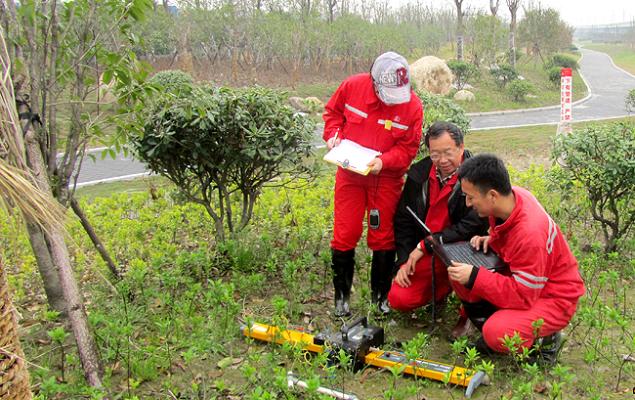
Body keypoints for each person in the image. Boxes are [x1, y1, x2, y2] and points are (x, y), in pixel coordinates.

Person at [448, 154, 585, 356]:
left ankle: (544, 339)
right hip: (529, 282)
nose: (468, 203)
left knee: (496, 331)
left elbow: (523, 295)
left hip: (554, 297)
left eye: (471, 197)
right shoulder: (513, 197)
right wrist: (492, 239)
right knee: (460, 274)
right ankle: (497, 327)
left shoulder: (530, 233)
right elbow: (509, 237)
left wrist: (476, 276)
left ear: (492, 196)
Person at [323, 51, 423, 317]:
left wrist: (385, 162)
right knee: (345, 233)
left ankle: (380, 298)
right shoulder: (352, 87)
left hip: (385, 178)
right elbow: (332, 114)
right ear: (374, 82)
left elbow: (408, 148)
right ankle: (341, 298)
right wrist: (333, 137)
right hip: (350, 175)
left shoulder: (412, 106)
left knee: (383, 236)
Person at [388, 121, 488, 337]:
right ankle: (440, 290)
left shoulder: (478, 176)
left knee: (467, 273)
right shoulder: (419, 174)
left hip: (464, 250)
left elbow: (471, 226)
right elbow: (404, 220)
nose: (442, 161)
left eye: (448, 153)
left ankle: (468, 314)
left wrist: (425, 245)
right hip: (429, 252)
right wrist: (404, 260)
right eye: (435, 154)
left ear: (461, 148)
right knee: (399, 298)